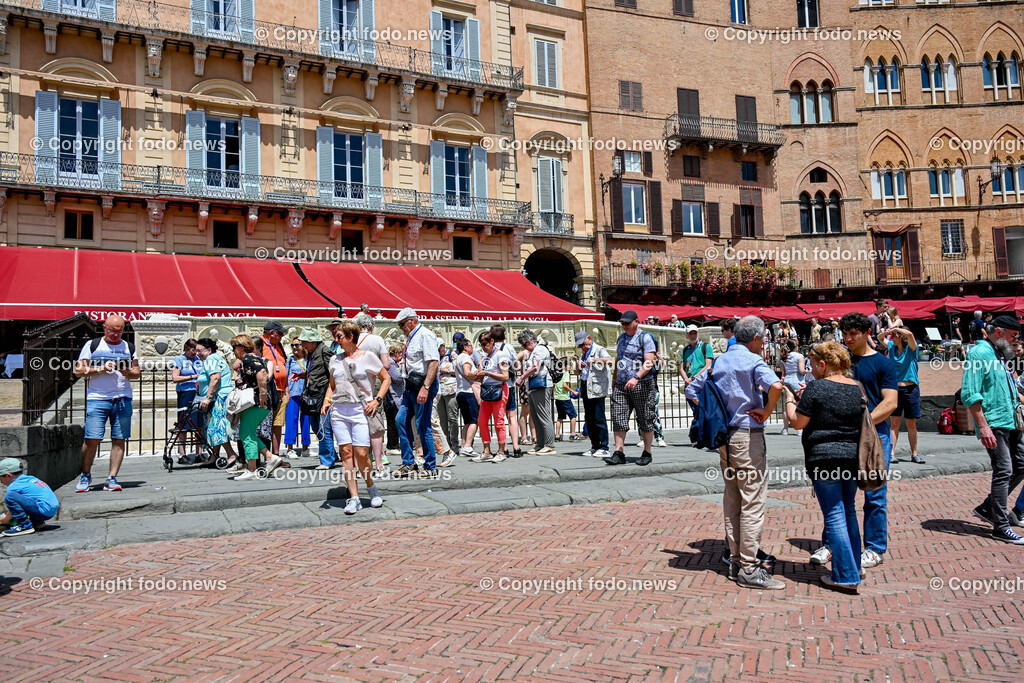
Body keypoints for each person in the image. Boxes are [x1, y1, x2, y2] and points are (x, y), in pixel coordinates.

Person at [685, 316, 785, 590]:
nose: (763, 342)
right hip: (746, 436)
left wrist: (713, 414)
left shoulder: (719, 361)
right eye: (763, 338)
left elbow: (692, 389)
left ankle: (737, 564)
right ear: (754, 338)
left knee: (733, 500)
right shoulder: (753, 361)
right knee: (753, 502)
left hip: (724, 439)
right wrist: (766, 411)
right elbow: (776, 386)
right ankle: (750, 569)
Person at [808, 313, 897, 570]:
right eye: (845, 334)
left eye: (853, 334)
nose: (848, 339)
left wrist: (863, 422)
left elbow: (890, 402)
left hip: (874, 436)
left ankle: (873, 547)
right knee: (836, 496)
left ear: (867, 332)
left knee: (874, 492)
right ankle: (834, 542)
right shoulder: (841, 360)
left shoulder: (883, 363)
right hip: (841, 436)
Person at [782, 342, 865, 593]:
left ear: (822, 364)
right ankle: (854, 564)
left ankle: (846, 575)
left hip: (824, 458)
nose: (809, 370)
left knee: (834, 515)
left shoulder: (817, 388)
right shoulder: (856, 387)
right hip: (851, 457)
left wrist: (789, 400)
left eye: (811, 364)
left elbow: (797, 422)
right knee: (848, 510)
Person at [964, 316, 1024, 544]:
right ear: (999, 332)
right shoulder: (979, 354)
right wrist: (983, 426)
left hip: (1011, 420)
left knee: (1021, 464)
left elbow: (1008, 388)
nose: (1016, 340)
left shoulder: (1000, 354)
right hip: (995, 422)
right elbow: (971, 393)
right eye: (1013, 335)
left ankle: (989, 508)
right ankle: (1000, 526)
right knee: (1004, 470)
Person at [324, 320, 391, 514]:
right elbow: (332, 385)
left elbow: (386, 378)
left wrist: (377, 400)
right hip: (339, 410)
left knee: (361, 453)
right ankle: (353, 497)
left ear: (350, 337)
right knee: (346, 453)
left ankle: (371, 486)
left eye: (339, 336)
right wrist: (327, 400)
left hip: (360, 409)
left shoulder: (368, 357)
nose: (335, 339)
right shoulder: (334, 360)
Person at [74, 314, 141, 493]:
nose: (115, 335)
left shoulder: (129, 347)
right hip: (98, 397)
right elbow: (79, 371)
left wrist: (128, 372)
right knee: (92, 438)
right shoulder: (93, 345)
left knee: (119, 438)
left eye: (119, 331)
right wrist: (100, 369)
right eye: (112, 331)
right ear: (104, 328)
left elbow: (137, 372)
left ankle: (112, 477)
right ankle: (85, 474)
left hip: (123, 397)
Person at [605, 310, 657, 466]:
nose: (624, 326)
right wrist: (614, 378)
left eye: (627, 323)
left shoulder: (645, 338)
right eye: (622, 323)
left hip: (642, 383)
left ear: (636, 322)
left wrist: (636, 377)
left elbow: (649, 361)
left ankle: (647, 452)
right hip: (621, 384)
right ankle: (619, 452)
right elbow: (619, 359)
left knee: (645, 417)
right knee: (618, 416)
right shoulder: (621, 338)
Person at [394, 308, 440, 477]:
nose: (400, 328)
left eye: (401, 324)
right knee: (401, 419)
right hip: (411, 385)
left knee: (423, 425)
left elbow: (434, 362)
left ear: (410, 321)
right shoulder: (412, 337)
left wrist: (426, 387)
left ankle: (430, 466)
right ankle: (408, 462)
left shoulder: (425, 335)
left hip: (422, 384)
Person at [230, 334, 283, 480]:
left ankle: (252, 469)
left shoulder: (248, 358)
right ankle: (269, 457)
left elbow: (262, 372)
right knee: (247, 433)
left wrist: (262, 394)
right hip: (255, 403)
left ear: (241, 347)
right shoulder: (250, 358)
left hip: (253, 402)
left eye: (234, 347)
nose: (233, 351)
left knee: (247, 434)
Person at [354, 313, 392, 470]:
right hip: (374, 382)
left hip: (355, 383)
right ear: (372, 327)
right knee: (375, 419)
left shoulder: (353, 340)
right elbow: (386, 364)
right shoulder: (377, 340)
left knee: (358, 419)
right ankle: (380, 456)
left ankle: (365, 457)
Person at [881, 326, 923, 464]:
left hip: (911, 389)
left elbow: (910, 334)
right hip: (895, 389)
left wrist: (897, 328)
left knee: (911, 423)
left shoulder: (911, 349)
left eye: (894, 335)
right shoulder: (892, 347)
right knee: (894, 422)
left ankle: (915, 453)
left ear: (900, 336)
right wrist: (886, 332)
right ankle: (892, 453)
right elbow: (880, 338)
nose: (891, 337)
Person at [195, 337, 238, 468]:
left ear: (208, 350)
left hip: (218, 398)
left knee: (216, 427)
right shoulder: (215, 358)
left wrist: (208, 397)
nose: (197, 353)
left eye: (199, 350)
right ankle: (214, 455)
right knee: (215, 427)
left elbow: (215, 378)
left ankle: (231, 454)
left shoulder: (211, 359)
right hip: (220, 396)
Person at [296, 328, 336, 469]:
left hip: (322, 394)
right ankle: (332, 455)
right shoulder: (312, 353)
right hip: (313, 394)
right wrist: (303, 375)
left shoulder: (324, 351)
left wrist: (329, 396)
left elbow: (333, 372)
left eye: (304, 342)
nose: (302, 345)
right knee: (316, 426)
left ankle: (327, 460)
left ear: (313, 341)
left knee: (322, 427)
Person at [515, 330, 557, 455]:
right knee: (536, 416)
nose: (524, 347)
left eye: (524, 344)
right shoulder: (533, 351)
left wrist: (521, 377)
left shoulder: (540, 350)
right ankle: (540, 444)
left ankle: (549, 445)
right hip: (533, 387)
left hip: (541, 385)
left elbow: (535, 367)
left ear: (531, 341)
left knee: (544, 415)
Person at [574, 331, 611, 458]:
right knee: (589, 418)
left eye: (583, 344)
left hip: (597, 388)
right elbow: (578, 372)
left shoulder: (599, 349)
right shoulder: (583, 354)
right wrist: (579, 364)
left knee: (599, 417)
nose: (583, 347)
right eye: (580, 346)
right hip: (586, 387)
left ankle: (604, 446)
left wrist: (594, 360)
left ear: (589, 338)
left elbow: (609, 360)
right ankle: (594, 445)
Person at [0, 458, 59, 537]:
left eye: (1, 479)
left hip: (43, 511)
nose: (1, 482)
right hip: (51, 509)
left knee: (9, 497)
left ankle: (24, 525)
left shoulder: (13, 486)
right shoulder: (31, 479)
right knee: (30, 498)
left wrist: (5, 519)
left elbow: (13, 508)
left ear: (8, 475)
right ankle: (37, 522)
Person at [477, 332, 511, 462]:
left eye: (485, 344)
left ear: (492, 341)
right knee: (482, 420)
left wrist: (488, 373)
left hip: (498, 390)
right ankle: (487, 450)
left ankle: (501, 451)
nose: (483, 347)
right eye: (481, 345)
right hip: (487, 391)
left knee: (498, 422)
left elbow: (505, 376)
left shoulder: (500, 356)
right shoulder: (486, 357)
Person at [490, 325, 523, 458]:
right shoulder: (508, 347)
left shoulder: (491, 349)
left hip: (494, 387)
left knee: (499, 418)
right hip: (508, 386)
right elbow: (516, 366)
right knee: (512, 417)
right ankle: (516, 446)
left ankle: (504, 447)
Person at [259, 321, 289, 455]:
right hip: (267, 391)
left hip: (282, 391)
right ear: (272, 333)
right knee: (264, 423)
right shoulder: (259, 345)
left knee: (277, 424)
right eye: (280, 334)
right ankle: (265, 456)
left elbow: (283, 366)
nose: (282, 337)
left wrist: (287, 390)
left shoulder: (278, 346)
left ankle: (276, 455)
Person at [171, 339, 204, 458]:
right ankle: (182, 453)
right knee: (183, 422)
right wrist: (193, 376)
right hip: (185, 393)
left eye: (197, 350)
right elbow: (175, 378)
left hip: (198, 392)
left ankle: (199, 452)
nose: (195, 353)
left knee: (199, 423)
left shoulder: (198, 360)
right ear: (186, 348)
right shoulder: (179, 360)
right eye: (192, 350)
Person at [454, 338, 482, 459]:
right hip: (468, 391)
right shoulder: (465, 358)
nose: (472, 348)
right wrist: (479, 374)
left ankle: (463, 445)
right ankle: (468, 446)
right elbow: (467, 372)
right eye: (471, 346)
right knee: (474, 420)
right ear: (465, 347)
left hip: (460, 391)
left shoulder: (457, 358)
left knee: (467, 421)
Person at [283, 339, 311, 459]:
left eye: (297, 345)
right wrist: (286, 390)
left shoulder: (309, 359)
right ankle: (290, 448)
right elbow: (285, 376)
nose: (294, 347)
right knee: (291, 420)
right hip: (292, 393)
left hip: (306, 393)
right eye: (292, 345)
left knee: (306, 420)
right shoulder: (289, 360)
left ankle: (306, 447)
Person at [437, 342, 460, 455]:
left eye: (439, 348)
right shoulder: (435, 356)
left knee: (452, 417)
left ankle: (454, 444)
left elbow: (459, 372)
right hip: (439, 390)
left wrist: (444, 370)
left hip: (451, 389)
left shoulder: (452, 355)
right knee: (442, 419)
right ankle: (445, 445)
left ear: (443, 346)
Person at [780, 339, 807, 437]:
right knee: (799, 405)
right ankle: (799, 429)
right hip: (797, 379)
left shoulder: (784, 357)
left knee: (788, 404)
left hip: (787, 380)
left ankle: (785, 429)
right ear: (795, 346)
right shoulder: (799, 356)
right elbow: (801, 370)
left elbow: (783, 372)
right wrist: (806, 371)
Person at [385, 343, 406, 457]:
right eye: (402, 353)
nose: (402, 356)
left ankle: (393, 444)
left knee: (393, 420)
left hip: (394, 395)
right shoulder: (391, 363)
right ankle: (392, 446)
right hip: (393, 396)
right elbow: (397, 378)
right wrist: (404, 372)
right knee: (393, 421)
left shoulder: (391, 362)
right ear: (397, 353)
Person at [553, 371, 579, 442]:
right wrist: (573, 392)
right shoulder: (566, 373)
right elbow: (564, 385)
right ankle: (573, 434)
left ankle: (557, 436)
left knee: (560, 417)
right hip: (565, 398)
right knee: (573, 415)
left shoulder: (557, 374)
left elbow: (554, 386)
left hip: (558, 398)